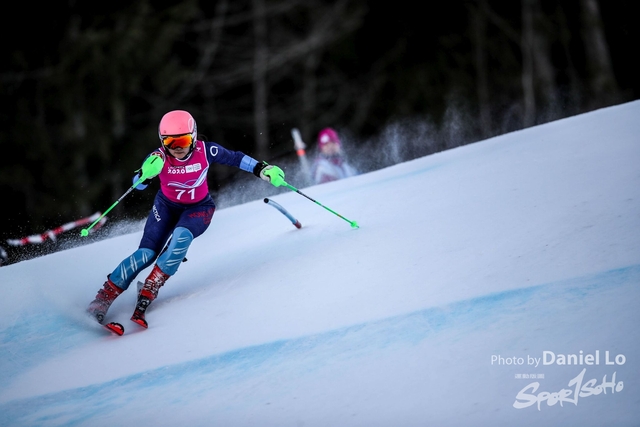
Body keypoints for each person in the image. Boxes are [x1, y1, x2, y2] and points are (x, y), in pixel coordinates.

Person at [87, 110, 285, 329]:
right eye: (170, 142)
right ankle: (102, 299)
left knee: (180, 238)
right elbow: (139, 183)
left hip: (199, 208)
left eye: (183, 141)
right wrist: (145, 173)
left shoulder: (206, 150)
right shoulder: (159, 157)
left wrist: (262, 169)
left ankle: (150, 287)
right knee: (145, 254)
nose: (177, 148)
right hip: (166, 207)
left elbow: (236, 158)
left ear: (194, 136)